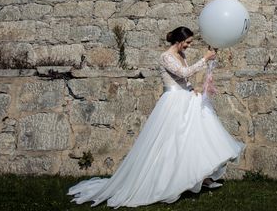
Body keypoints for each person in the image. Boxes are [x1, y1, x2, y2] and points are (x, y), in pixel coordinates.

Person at [69, 26, 244, 207]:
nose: (189, 46)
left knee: (192, 140)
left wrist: (192, 89)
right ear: (178, 40)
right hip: (172, 103)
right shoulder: (165, 57)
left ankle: (199, 178)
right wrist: (204, 59)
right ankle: (164, 181)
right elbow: (183, 73)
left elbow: (185, 80)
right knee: (170, 143)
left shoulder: (181, 56)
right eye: (188, 42)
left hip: (185, 99)